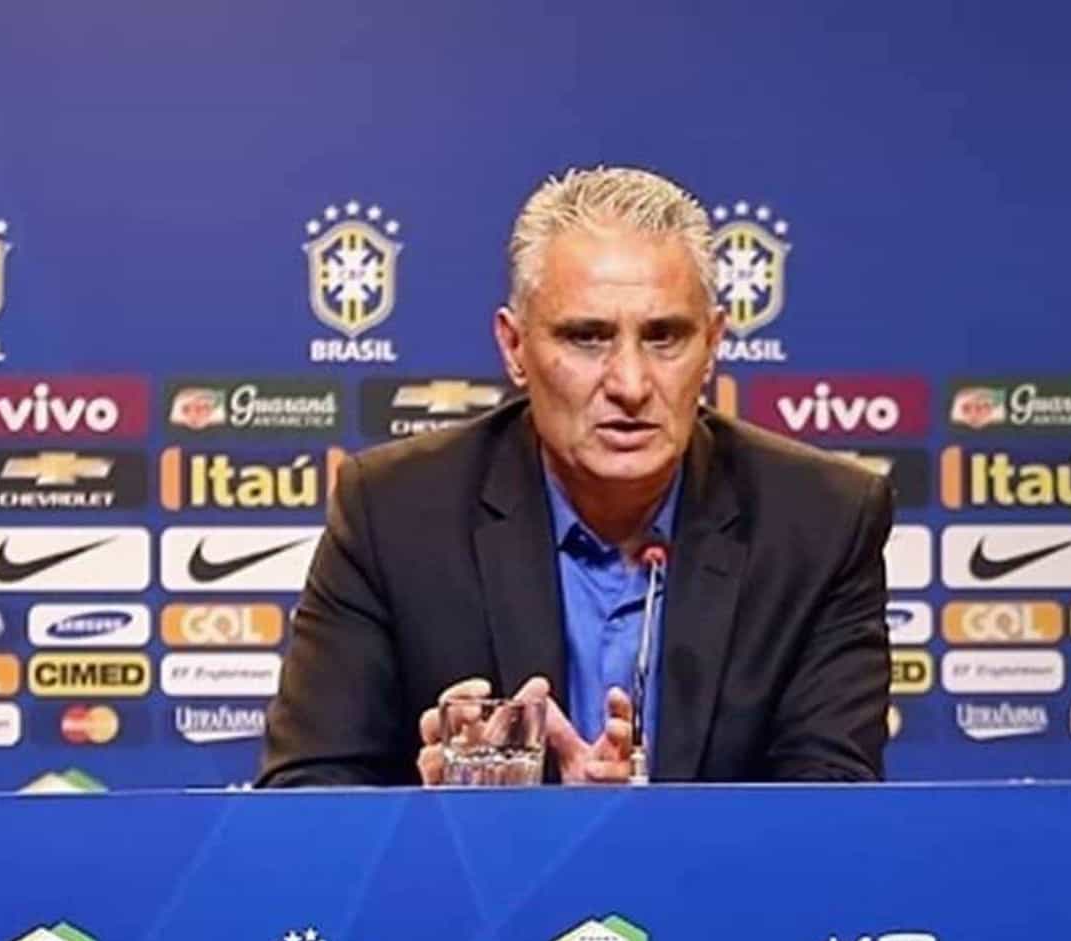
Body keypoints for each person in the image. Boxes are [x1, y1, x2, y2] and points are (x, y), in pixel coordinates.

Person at [259, 166, 891, 787]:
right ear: (514, 348)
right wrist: (440, 816)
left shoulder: (823, 523)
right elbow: (304, 794)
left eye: (665, 337)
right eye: (587, 338)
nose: (630, 384)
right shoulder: (393, 514)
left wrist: (623, 830)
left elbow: (832, 806)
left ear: (713, 344)